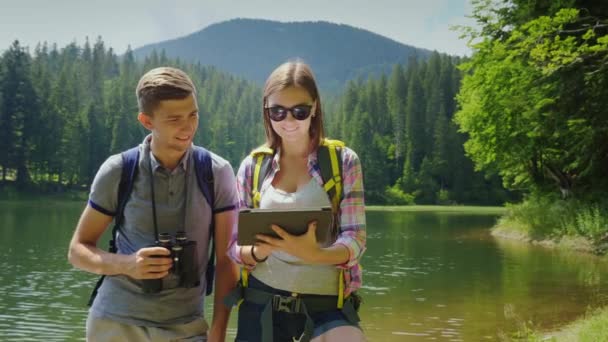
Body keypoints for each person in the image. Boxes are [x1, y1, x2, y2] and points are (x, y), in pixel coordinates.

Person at [68, 66, 239, 342]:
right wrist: (128, 265)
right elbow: (77, 251)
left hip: (188, 328)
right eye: (174, 119)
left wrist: (218, 332)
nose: (188, 127)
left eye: (193, 114)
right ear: (147, 121)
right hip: (115, 325)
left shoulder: (216, 172)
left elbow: (226, 261)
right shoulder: (119, 170)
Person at [227, 61, 367, 342]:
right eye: (277, 111)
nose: (288, 121)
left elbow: (356, 239)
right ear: (267, 110)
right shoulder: (252, 167)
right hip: (261, 307)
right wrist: (257, 252)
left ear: (314, 108)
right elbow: (234, 246)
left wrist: (315, 254)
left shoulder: (343, 161)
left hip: (327, 309)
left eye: (299, 111)